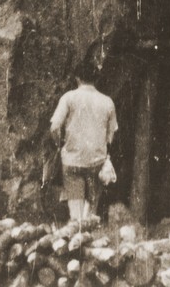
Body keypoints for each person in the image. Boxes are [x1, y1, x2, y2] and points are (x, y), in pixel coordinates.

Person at [50, 64, 118, 222]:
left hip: (72, 161)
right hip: (97, 162)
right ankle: (88, 230)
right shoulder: (107, 101)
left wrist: (59, 144)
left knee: (76, 213)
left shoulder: (68, 98)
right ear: (96, 79)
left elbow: (54, 127)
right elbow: (111, 133)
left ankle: (77, 228)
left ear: (77, 78)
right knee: (90, 212)